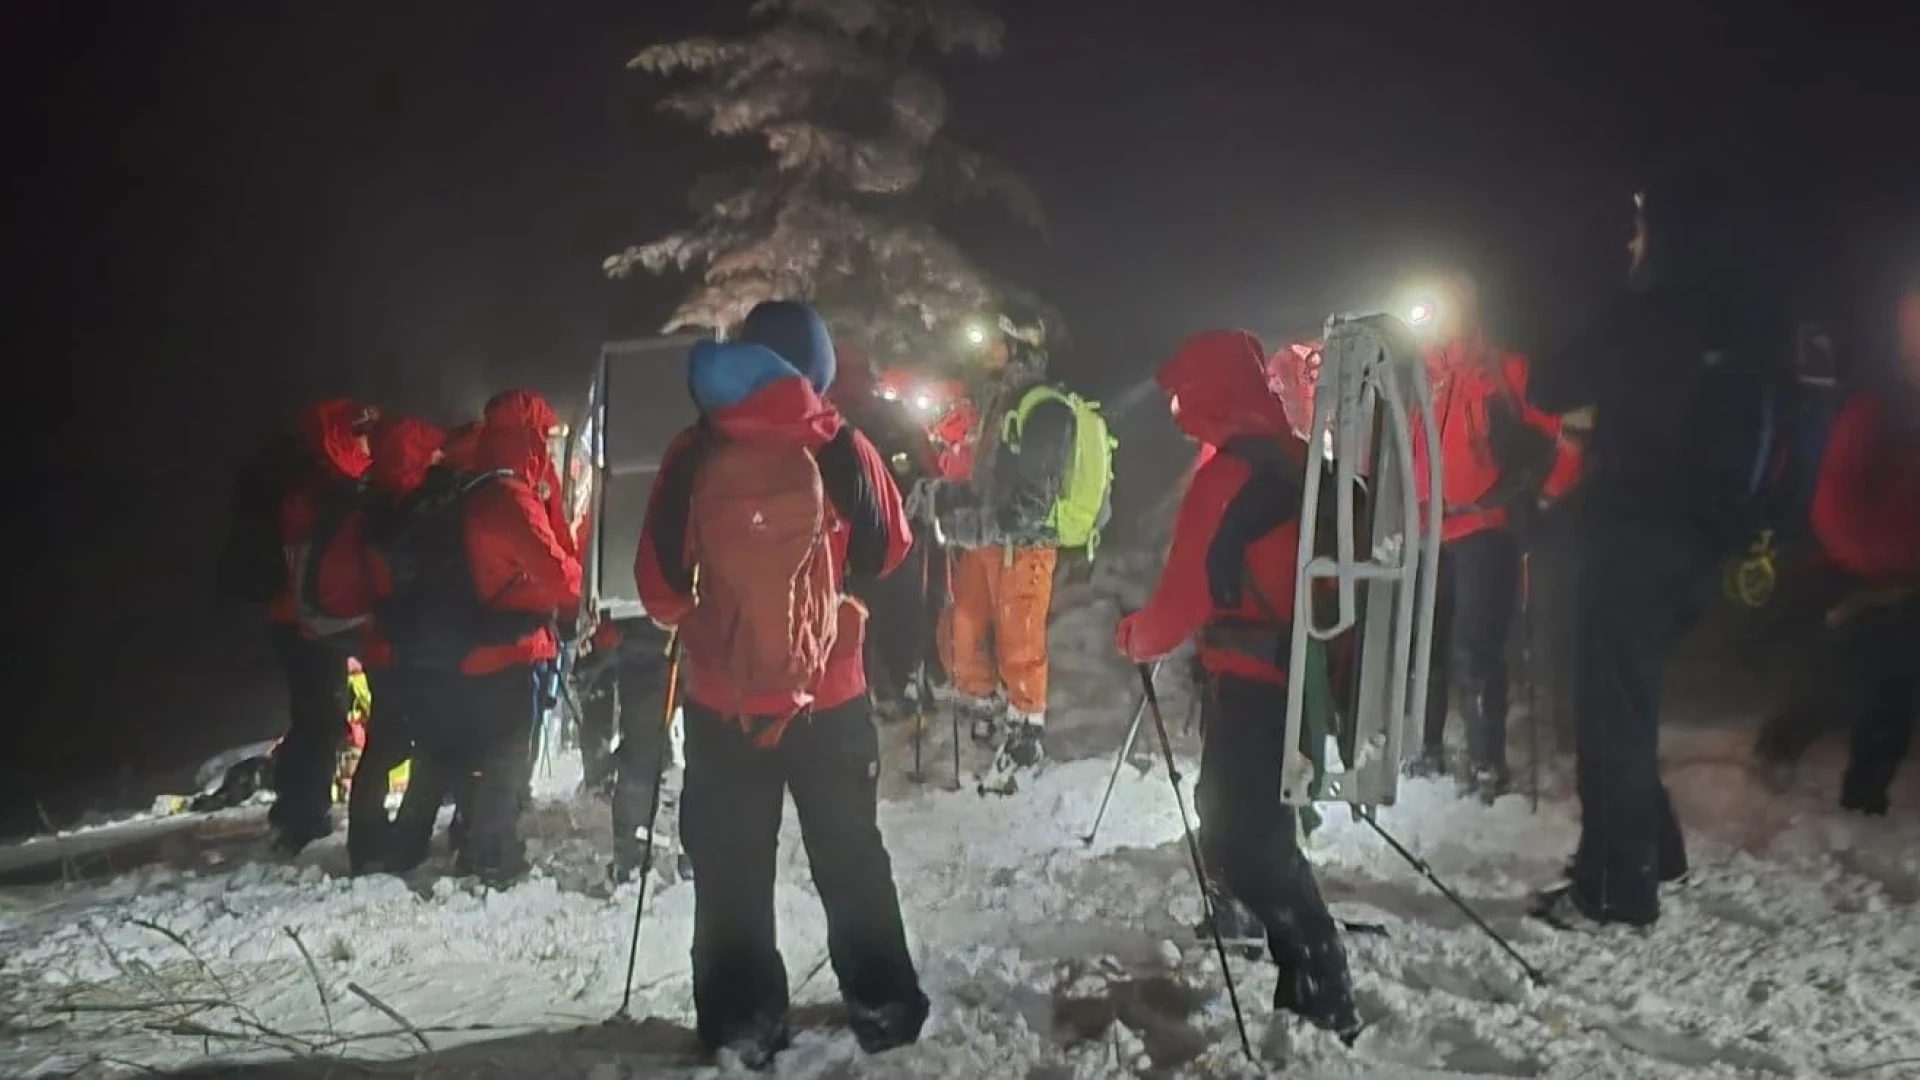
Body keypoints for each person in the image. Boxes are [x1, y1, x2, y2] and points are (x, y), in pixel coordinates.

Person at [635, 322, 926, 1068]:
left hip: (721, 700)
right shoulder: (838, 443)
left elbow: (658, 588)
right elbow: (888, 549)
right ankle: (883, 1002)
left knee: (731, 861)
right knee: (850, 851)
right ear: (816, 370)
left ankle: (741, 1019)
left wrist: (711, 623)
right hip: (829, 694)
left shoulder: (694, 449)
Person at [1527, 175, 1789, 928]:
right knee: (1629, 705)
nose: (1630, 241)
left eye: (1640, 228)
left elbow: (1552, 381)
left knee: (1611, 713)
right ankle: (1654, 851)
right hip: (1697, 540)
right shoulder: (1738, 314)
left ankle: (1615, 891)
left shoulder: (1651, 311)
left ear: (1664, 235)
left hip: (1635, 531)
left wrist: (1603, 298)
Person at [1114, 328, 1361, 1041]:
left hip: (1253, 681)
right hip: (1303, 677)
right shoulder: (1297, 458)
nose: (1177, 412)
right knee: (1240, 821)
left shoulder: (1227, 477)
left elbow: (1180, 600)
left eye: (1183, 399)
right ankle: (1272, 944)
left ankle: (1321, 985)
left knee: (1248, 842)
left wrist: (1137, 636)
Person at [367, 416, 581, 884]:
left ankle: (406, 849)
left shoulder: (450, 495)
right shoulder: (503, 497)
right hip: (500, 649)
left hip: (446, 651)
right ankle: (492, 857)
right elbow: (561, 575)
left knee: (443, 754)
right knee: (502, 756)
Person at [1405, 275, 1583, 802]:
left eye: (1440, 308)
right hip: (1425, 532)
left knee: (1474, 648)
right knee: (1423, 647)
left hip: (1485, 528)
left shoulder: (1506, 371)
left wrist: (1547, 495)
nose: (1432, 320)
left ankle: (1487, 764)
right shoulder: (1420, 379)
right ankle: (1425, 750)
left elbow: (1568, 434)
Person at [936, 314, 1092, 768]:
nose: (988, 350)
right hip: (990, 541)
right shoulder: (1002, 401)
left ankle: (1027, 731)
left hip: (1025, 545)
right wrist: (949, 499)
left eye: (998, 342)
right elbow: (988, 479)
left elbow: (1031, 504)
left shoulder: (1046, 408)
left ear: (1022, 347)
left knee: (1020, 640)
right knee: (965, 624)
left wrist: (973, 525)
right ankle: (984, 701)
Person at [309, 415, 448, 874]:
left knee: (385, 743)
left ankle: (367, 843)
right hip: (414, 652)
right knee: (429, 745)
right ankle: (404, 844)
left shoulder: (367, 504)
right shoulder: (417, 509)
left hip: (378, 644)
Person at [1807, 290, 1920, 814]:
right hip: (1883, 585)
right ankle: (1860, 807)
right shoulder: (1877, 408)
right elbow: (1833, 502)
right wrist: (1879, 566)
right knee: (1883, 702)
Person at [268, 398, 377, 855]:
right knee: (319, 717)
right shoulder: (322, 489)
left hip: (296, 616)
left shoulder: (303, 480)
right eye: (359, 433)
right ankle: (302, 818)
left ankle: (295, 809)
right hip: (305, 620)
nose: (368, 442)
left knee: (315, 715)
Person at [825, 344, 943, 722]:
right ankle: (905, 679)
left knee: (853, 614)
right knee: (903, 608)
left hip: (841, 538)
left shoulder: (825, 416)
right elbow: (929, 466)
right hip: (897, 530)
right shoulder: (892, 415)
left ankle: (856, 689)